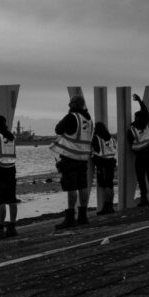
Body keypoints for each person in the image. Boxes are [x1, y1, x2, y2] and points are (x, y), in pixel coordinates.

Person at [51, 95, 94, 230]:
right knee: (82, 186)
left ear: (74, 105)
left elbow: (58, 129)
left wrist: (69, 114)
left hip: (70, 158)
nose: (69, 106)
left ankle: (70, 217)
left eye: (70, 104)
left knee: (71, 187)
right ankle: (83, 216)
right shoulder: (88, 119)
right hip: (83, 158)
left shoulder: (72, 117)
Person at [127, 94, 149, 206]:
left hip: (140, 158)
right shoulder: (148, 125)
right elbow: (145, 111)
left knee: (141, 179)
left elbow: (130, 143)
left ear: (135, 118)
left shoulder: (132, 130)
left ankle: (144, 198)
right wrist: (140, 101)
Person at [92, 121, 117, 215]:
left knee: (105, 185)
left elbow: (95, 150)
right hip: (111, 162)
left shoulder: (96, 138)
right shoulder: (111, 138)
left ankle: (106, 206)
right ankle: (110, 205)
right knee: (110, 185)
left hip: (102, 163)